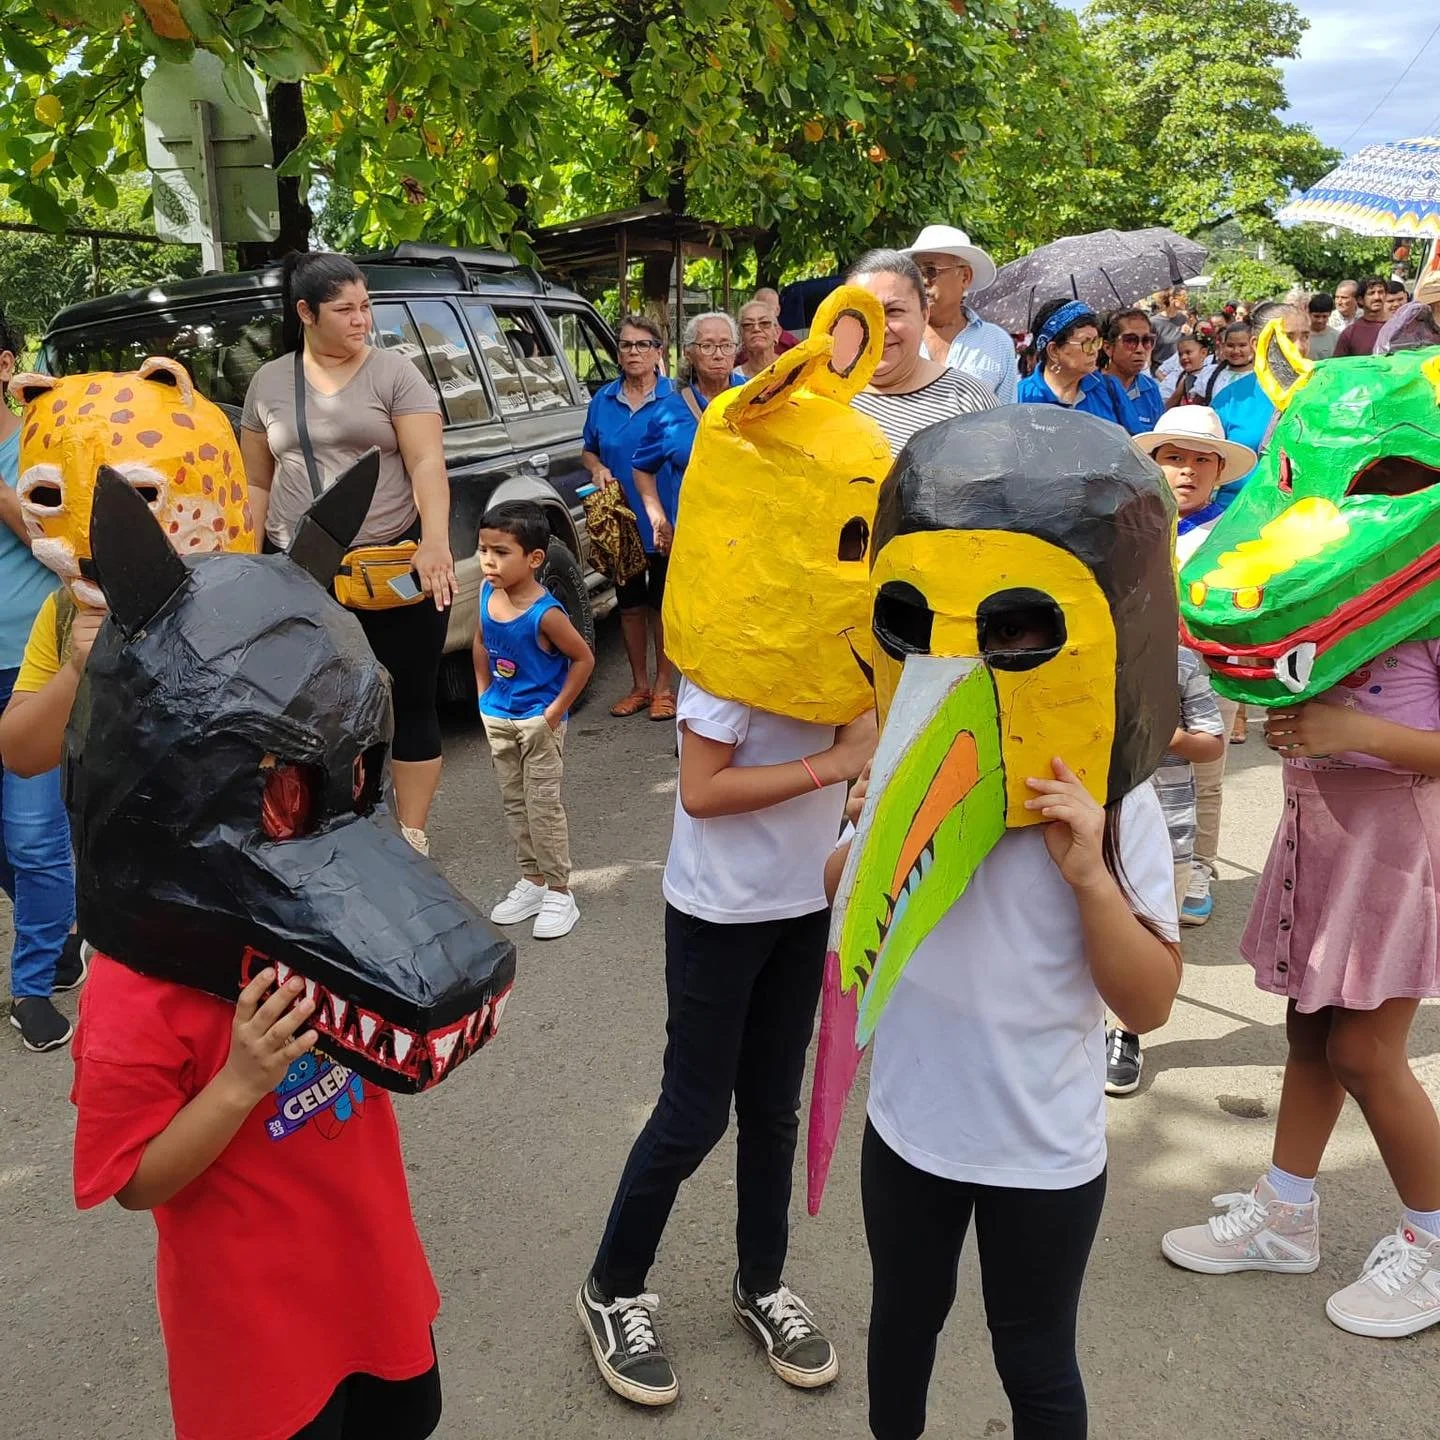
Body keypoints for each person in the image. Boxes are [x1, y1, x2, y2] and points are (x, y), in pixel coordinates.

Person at [574, 667, 876, 1408]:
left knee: (775, 1109)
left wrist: (856, 785)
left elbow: (865, 748)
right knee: (693, 1116)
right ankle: (611, 1290)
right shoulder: (731, 650)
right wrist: (833, 766)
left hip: (808, 899)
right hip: (719, 911)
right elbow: (702, 791)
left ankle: (762, 1285)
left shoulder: (845, 645)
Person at [1161, 642, 1440, 1339]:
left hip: (1397, 844)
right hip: (1316, 828)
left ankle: (1435, 1239)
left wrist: (1360, 733)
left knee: (1365, 1054)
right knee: (1309, 1033)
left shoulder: (1424, 589)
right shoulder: (1331, 574)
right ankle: (1285, 1213)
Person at [240, 252, 457, 857]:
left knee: (409, 696)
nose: (362, 319)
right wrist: (244, 559)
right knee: (305, 706)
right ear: (305, 312)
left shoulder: (396, 373)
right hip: (301, 567)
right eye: (346, 309)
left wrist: (435, 542)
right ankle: (325, 826)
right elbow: (255, 483)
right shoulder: (269, 381)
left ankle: (410, 833)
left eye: (366, 305)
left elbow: (425, 462)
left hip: (391, 565)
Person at [1132, 407, 1257, 928]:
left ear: (1218, 469)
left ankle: (1198, 864)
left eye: (1200, 460)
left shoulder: (1236, 532)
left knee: (1205, 772)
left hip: (1208, 669)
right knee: (1141, 772)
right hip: (1143, 665)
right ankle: (1141, 859)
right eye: (1174, 458)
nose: (1186, 470)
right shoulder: (1132, 523)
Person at [0, 308, 80, 1052]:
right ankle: (60, 931)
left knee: (32, 836)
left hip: (31, 660)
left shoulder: (38, 445)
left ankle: (30, 989)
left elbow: (60, 541)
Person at [473, 500, 595, 941]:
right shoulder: (489, 593)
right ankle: (533, 880)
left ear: (534, 558)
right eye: (483, 549)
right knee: (515, 804)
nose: (489, 560)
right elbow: (480, 642)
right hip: (499, 718)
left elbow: (582, 658)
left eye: (501, 551)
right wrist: (484, 693)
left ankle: (561, 891)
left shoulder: (546, 614)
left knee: (543, 808)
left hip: (537, 723)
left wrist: (554, 711)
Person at [627, 311, 743, 722]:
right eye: (707, 346)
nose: (717, 355)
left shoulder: (758, 398)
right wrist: (657, 515)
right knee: (692, 620)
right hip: (692, 538)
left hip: (749, 537)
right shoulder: (669, 411)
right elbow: (642, 467)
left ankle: (743, 701)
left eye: (725, 345)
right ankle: (693, 707)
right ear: (690, 354)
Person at [580, 314, 674, 718]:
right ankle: (639, 685)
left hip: (667, 518)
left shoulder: (677, 398)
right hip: (621, 523)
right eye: (625, 345)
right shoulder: (604, 399)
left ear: (659, 352)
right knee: (630, 604)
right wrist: (597, 469)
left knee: (664, 604)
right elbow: (589, 449)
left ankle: (665, 688)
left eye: (642, 345)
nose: (633, 353)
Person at [845, 250, 997, 454]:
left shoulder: (968, 399)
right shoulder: (820, 395)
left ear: (924, 315)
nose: (877, 328)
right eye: (860, 313)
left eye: (893, 311)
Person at [903, 224, 1017, 403]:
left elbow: (1005, 418)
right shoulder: (895, 333)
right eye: (915, 273)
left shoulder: (997, 343)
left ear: (965, 277)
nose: (922, 281)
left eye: (930, 271)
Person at [1016, 298, 1145, 433]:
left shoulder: (1109, 388)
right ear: (1054, 351)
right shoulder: (1022, 397)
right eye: (1087, 343)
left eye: (1097, 342)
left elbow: (1136, 442)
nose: (1094, 351)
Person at [1101, 309, 1165, 428]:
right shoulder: (1092, 387)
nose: (1140, 349)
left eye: (1147, 341)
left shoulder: (1151, 389)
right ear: (1108, 348)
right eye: (1130, 341)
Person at [1334, 275, 1389, 357]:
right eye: (1371, 293)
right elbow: (1337, 365)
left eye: (1380, 292)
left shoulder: (1397, 327)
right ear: (1360, 300)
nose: (1377, 297)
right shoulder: (1350, 334)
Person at [1161, 333, 1217, 406]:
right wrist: (1179, 391)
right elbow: (1163, 409)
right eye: (1180, 354)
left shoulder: (1211, 375)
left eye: (1188, 352)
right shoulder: (1174, 377)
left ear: (1203, 353)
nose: (1183, 357)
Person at [737, 299, 781, 378]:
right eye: (748, 324)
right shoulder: (733, 379)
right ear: (741, 335)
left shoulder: (791, 368)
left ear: (777, 333)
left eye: (764, 323)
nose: (756, 329)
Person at [753, 287, 799, 352]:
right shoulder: (747, 347)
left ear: (778, 310)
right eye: (758, 309)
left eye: (767, 309)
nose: (762, 314)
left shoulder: (792, 346)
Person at [1306, 293, 1338, 360]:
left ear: (1330, 314)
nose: (1320, 321)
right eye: (1316, 316)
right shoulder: (1301, 336)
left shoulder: (1336, 336)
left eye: (1324, 316)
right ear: (1309, 313)